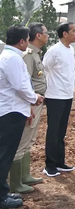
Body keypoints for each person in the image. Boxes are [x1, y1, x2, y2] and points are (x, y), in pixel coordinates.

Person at [0, 25, 43, 209]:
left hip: (12, 110)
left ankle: (3, 191)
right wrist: (35, 98)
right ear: (22, 41)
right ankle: (1, 198)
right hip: (11, 112)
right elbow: (20, 86)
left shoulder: (9, 57)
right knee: (4, 156)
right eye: (27, 39)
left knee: (4, 155)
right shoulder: (13, 59)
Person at [9, 24, 48, 194]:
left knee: (29, 139)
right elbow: (25, 84)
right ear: (38, 35)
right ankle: (16, 182)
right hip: (30, 102)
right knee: (23, 140)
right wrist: (30, 104)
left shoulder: (35, 54)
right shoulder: (27, 55)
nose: (47, 36)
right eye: (46, 33)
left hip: (36, 102)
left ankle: (24, 175)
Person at [42, 22, 75, 177]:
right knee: (53, 131)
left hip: (67, 95)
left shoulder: (71, 49)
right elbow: (44, 70)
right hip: (54, 96)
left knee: (61, 131)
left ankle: (59, 161)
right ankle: (49, 165)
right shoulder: (54, 51)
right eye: (74, 31)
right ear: (65, 33)